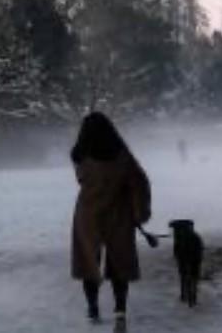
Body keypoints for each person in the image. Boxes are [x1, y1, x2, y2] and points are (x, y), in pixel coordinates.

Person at [70, 112, 152, 325]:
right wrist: (140, 212)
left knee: (89, 261)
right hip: (119, 214)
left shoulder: (78, 155)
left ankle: (93, 308)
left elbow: (82, 180)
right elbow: (140, 182)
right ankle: (120, 309)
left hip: (87, 214)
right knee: (120, 263)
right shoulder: (122, 155)